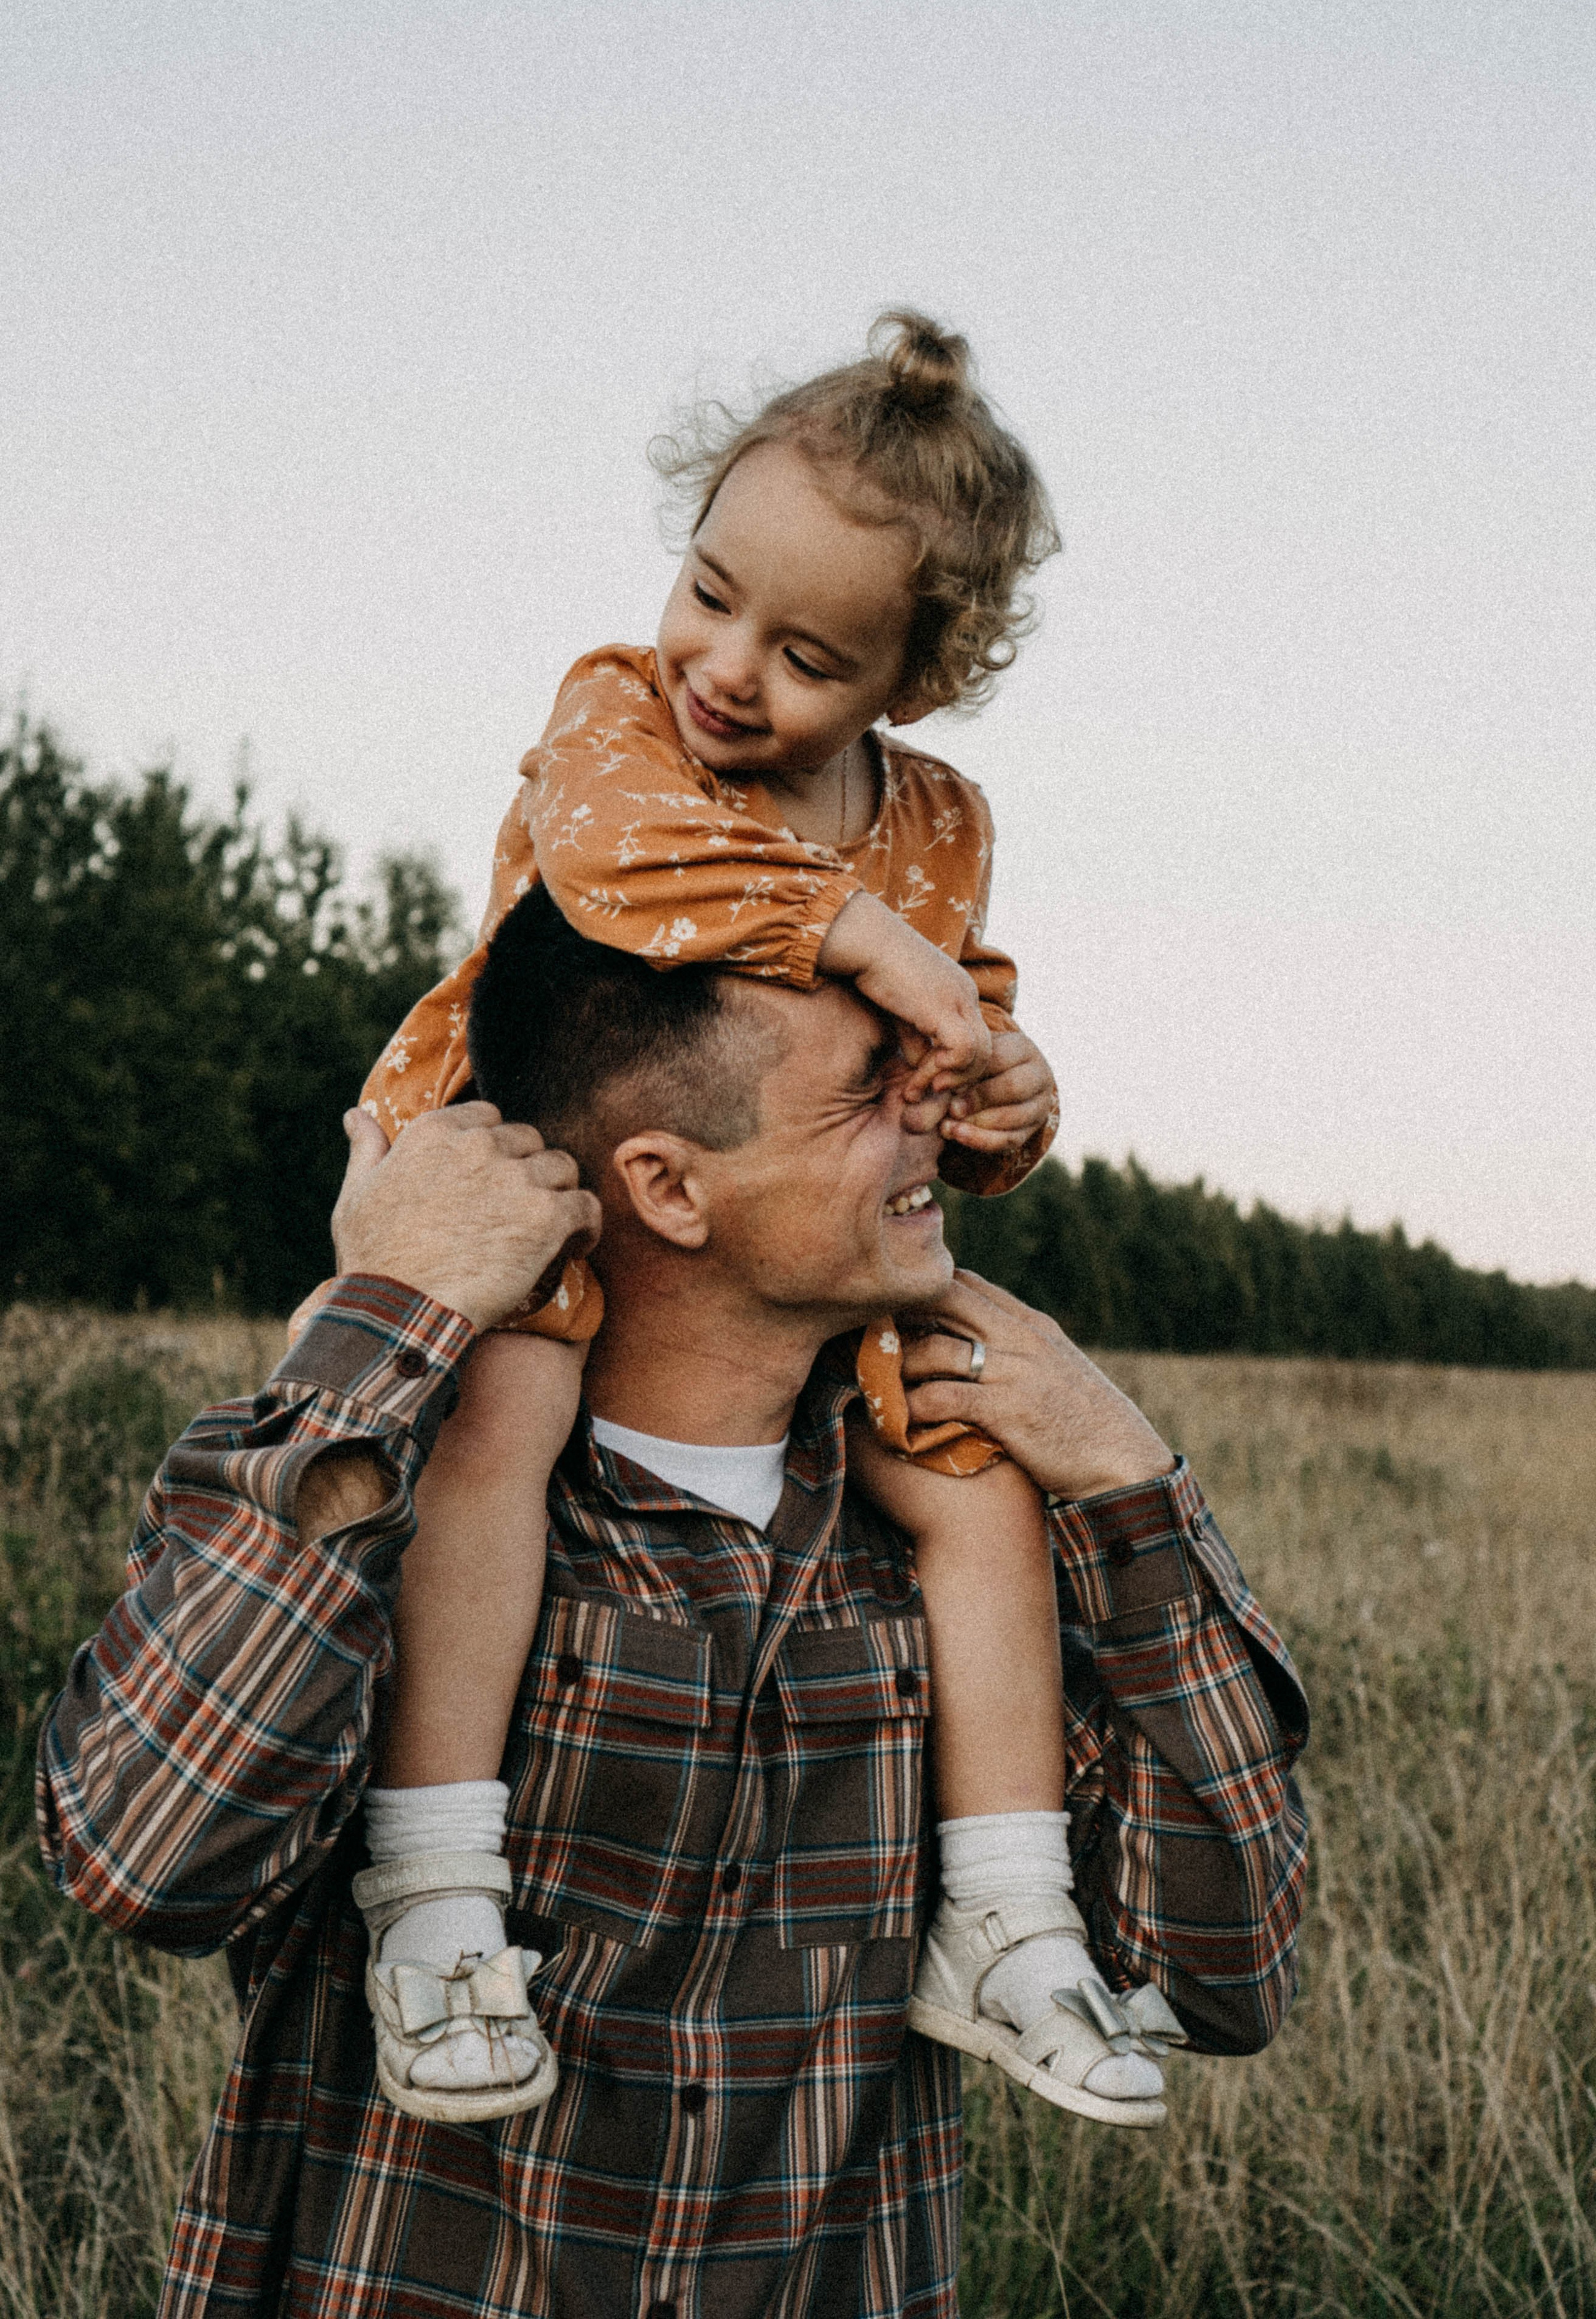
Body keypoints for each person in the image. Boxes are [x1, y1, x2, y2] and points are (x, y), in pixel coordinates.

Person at [39, 901, 1309, 2319]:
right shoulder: (417, 1498)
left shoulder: (956, 1538)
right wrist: (386, 1314)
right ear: (669, 1184)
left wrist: (1131, 1484)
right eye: (862, 1096)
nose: (931, 1120)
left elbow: (1223, 1976)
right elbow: (149, 1861)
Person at [311, 312, 1132, 2123]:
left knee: (968, 1461)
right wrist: (865, 944)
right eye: (712, 591)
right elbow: (621, 871)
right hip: (516, 1167)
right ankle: (436, 1891)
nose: (730, 670)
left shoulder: (933, 820)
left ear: (910, 683)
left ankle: (1002, 1911)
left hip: (775, 1223)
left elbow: (949, 1019)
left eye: (810, 655)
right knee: (501, 1420)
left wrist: (1000, 1089)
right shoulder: (619, 718)